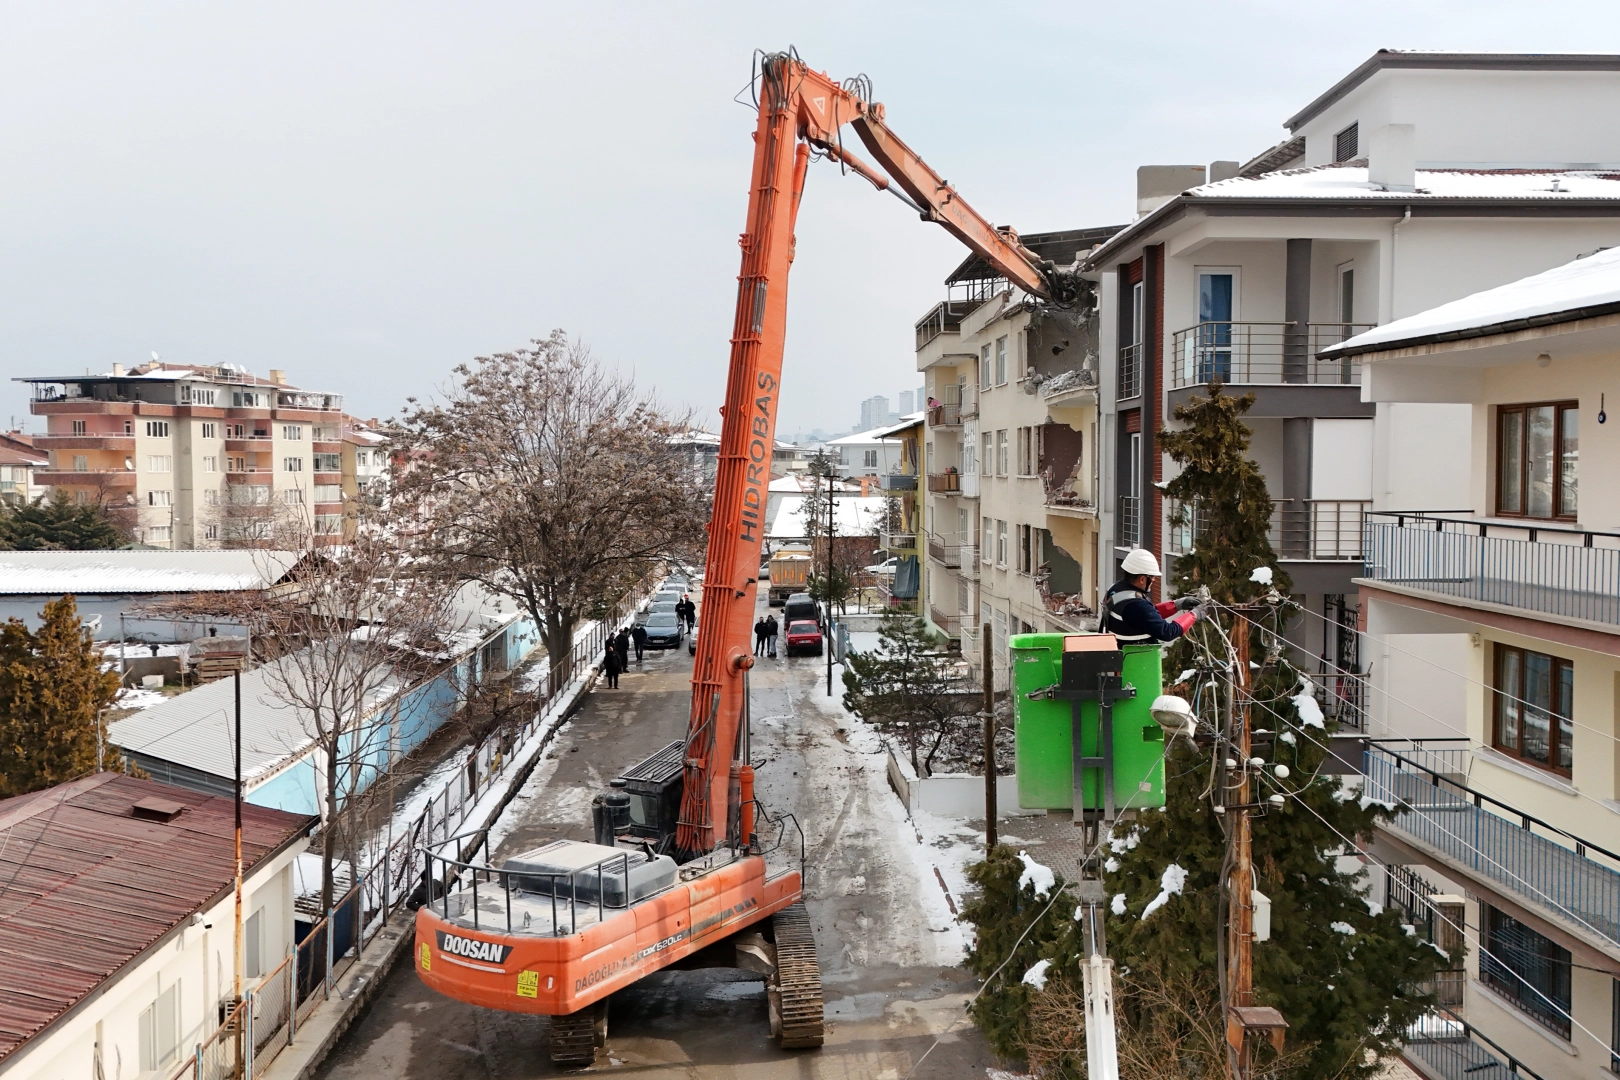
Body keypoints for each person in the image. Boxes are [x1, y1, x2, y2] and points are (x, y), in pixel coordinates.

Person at [1101, 549, 1203, 644]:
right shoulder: (1135, 604)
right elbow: (1167, 632)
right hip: (1138, 655)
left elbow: (1147, 616)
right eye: (1152, 577)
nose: (1154, 580)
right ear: (1142, 579)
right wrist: (1194, 614)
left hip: (1119, 649)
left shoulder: (1115, 589)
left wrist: (1177, 605)